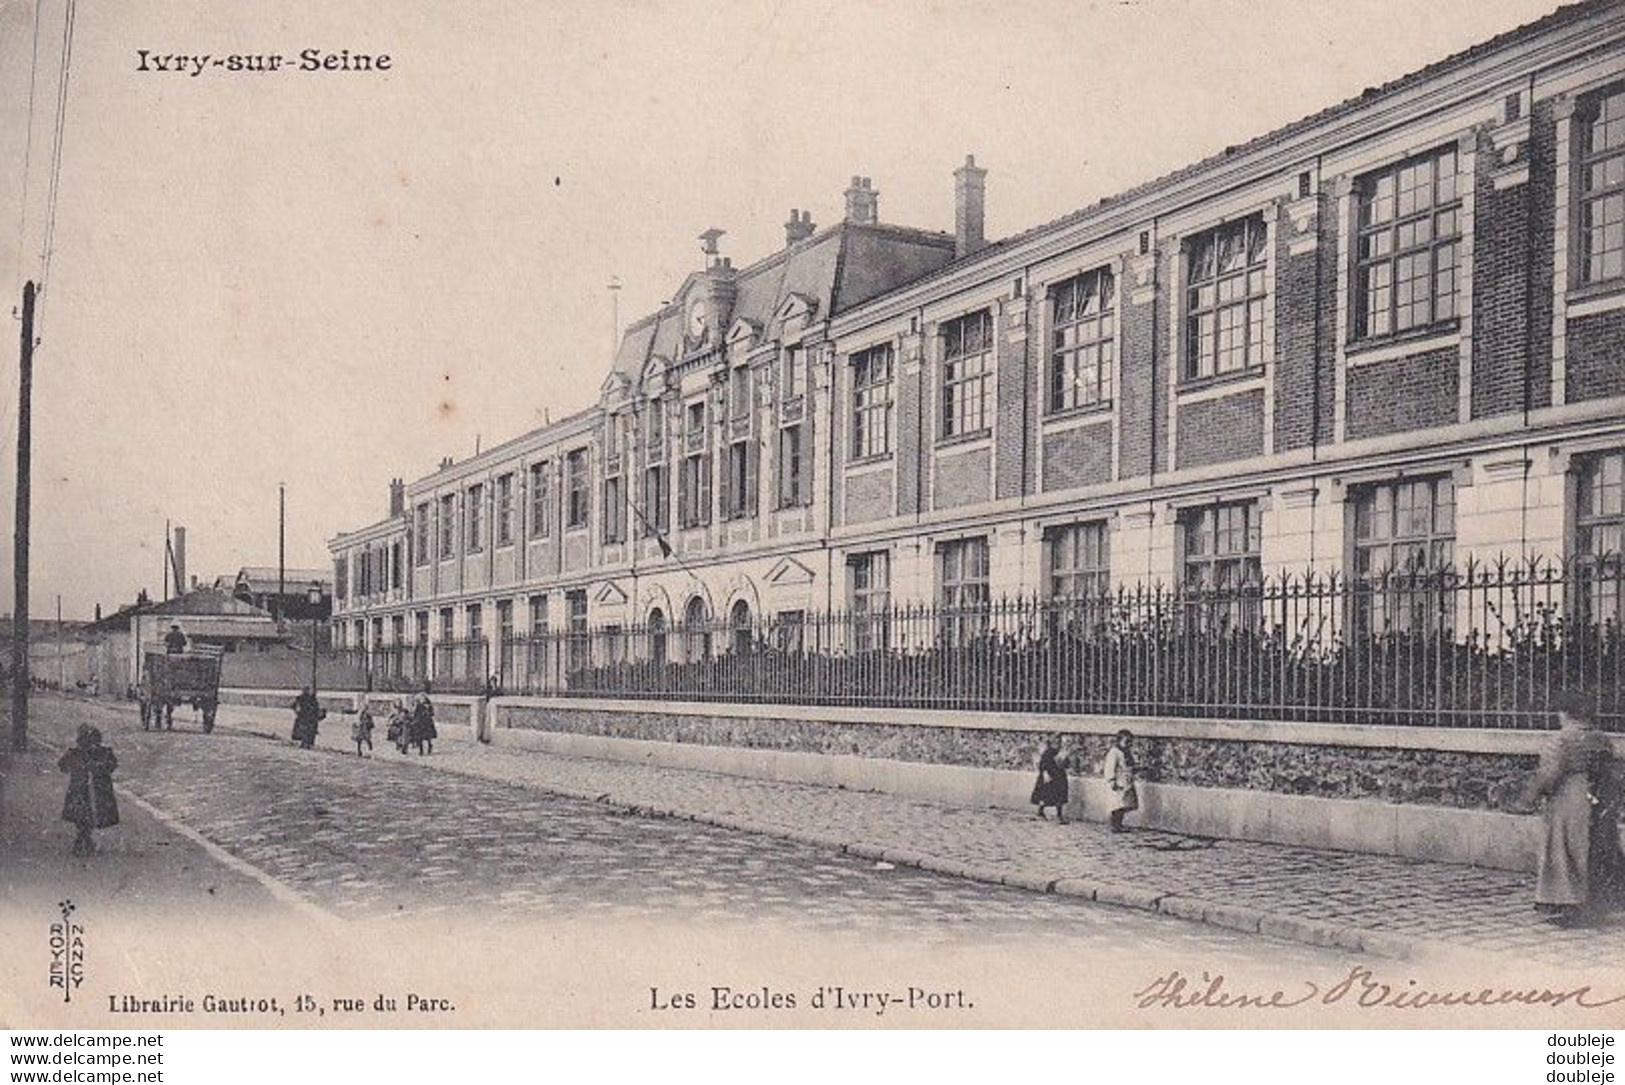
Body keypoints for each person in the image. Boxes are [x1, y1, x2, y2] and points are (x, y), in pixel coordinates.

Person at [1520, 693, 1625, 927]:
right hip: (1598, 797)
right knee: (1597, 847)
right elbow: (1613, 771)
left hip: (1569, 798)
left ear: (1565, 713)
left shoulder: (1560, 739)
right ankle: (1598, 903)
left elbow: (1549, 773)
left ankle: (1569, 904)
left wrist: (1531, 796)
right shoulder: (1601, 739)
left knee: (1565, 849)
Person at [59, 725, 119, 856]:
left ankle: (83, 839)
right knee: (84, 815)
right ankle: (83, 839)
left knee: (85, 815)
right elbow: (63, 766)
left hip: (85, 790)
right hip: (85, 791)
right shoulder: (78, 753)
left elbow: (112, 765)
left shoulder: (102, 753)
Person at [1102, 729, 1139, 834]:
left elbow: (1129, 765)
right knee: (1117, 805)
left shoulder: (1126, 753)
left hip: (1126, 781)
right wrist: (1111, 780)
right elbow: (1110, 767)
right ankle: (1114, 825)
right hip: (1118, 781)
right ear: (1119, 741)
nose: (1128, 744)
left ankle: (1119, 824)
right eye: (1126, 741)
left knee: (1124, 804)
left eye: (1130, 742)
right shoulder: (1114, 752)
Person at [1030, 735, 1069, 823]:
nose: (1059, 744)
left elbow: (1066, 765)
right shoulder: (1049, 752)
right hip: (1050, 776)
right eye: (1057, 742)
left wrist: (1064, 758)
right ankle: (1041, 811)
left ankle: (1059, 815)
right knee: (1046, 795)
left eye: (1060, 742)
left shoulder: (1062, 752)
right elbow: (1043, 764)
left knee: (1060, 797)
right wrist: (1045, 773)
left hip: (1059, 776)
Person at [409, 690, 437, 755]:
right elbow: (416, 713)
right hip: (421, 722)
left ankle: (428, 747)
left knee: (426, 737)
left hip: (425, 723)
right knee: (421, 737)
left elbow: (432, 713)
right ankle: (421, 749)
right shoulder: (420, 706)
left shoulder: (427, 705)